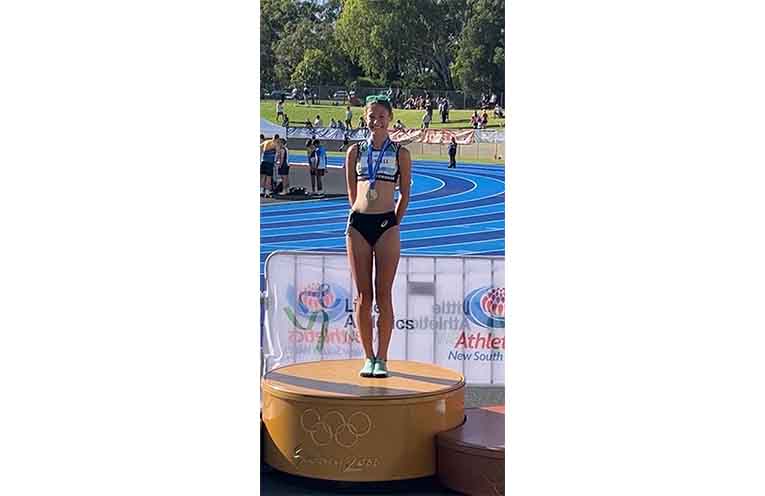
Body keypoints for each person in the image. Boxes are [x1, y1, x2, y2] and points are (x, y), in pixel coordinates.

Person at [344, 95, 411, 378]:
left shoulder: (400, 153)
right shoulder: (354, 152)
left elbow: (405, 194)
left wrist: (393, 222)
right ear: (365, 118)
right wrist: (359, 213)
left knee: (383, 294)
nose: (376, 121)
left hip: (386, 225)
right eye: (372, 116)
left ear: (390, 119)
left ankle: (382, 358)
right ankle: (367, 356)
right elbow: (351, 191)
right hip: (358, 225)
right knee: (363, 295)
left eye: (382, 116)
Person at [260, 134, 280, 198]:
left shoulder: (266, 142)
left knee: (263, 177)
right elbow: (278, 153)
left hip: (263, 162)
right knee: (268, 178)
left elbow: (260, 147)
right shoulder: (276, 144)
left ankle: (261, 191)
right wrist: (276, 161)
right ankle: (267, 192)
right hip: (270, 163)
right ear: (277, 139)